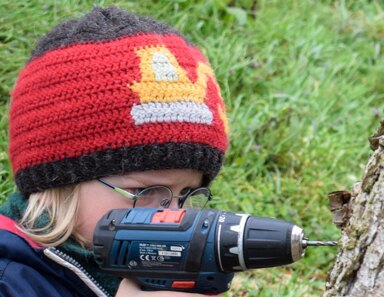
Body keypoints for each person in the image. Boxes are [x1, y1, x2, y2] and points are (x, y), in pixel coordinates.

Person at [0, 6, 228, 297]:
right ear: (57, 184)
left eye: (186, 195)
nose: (174, 217)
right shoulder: (11, 282)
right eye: (145, 193)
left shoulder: (169, 269)